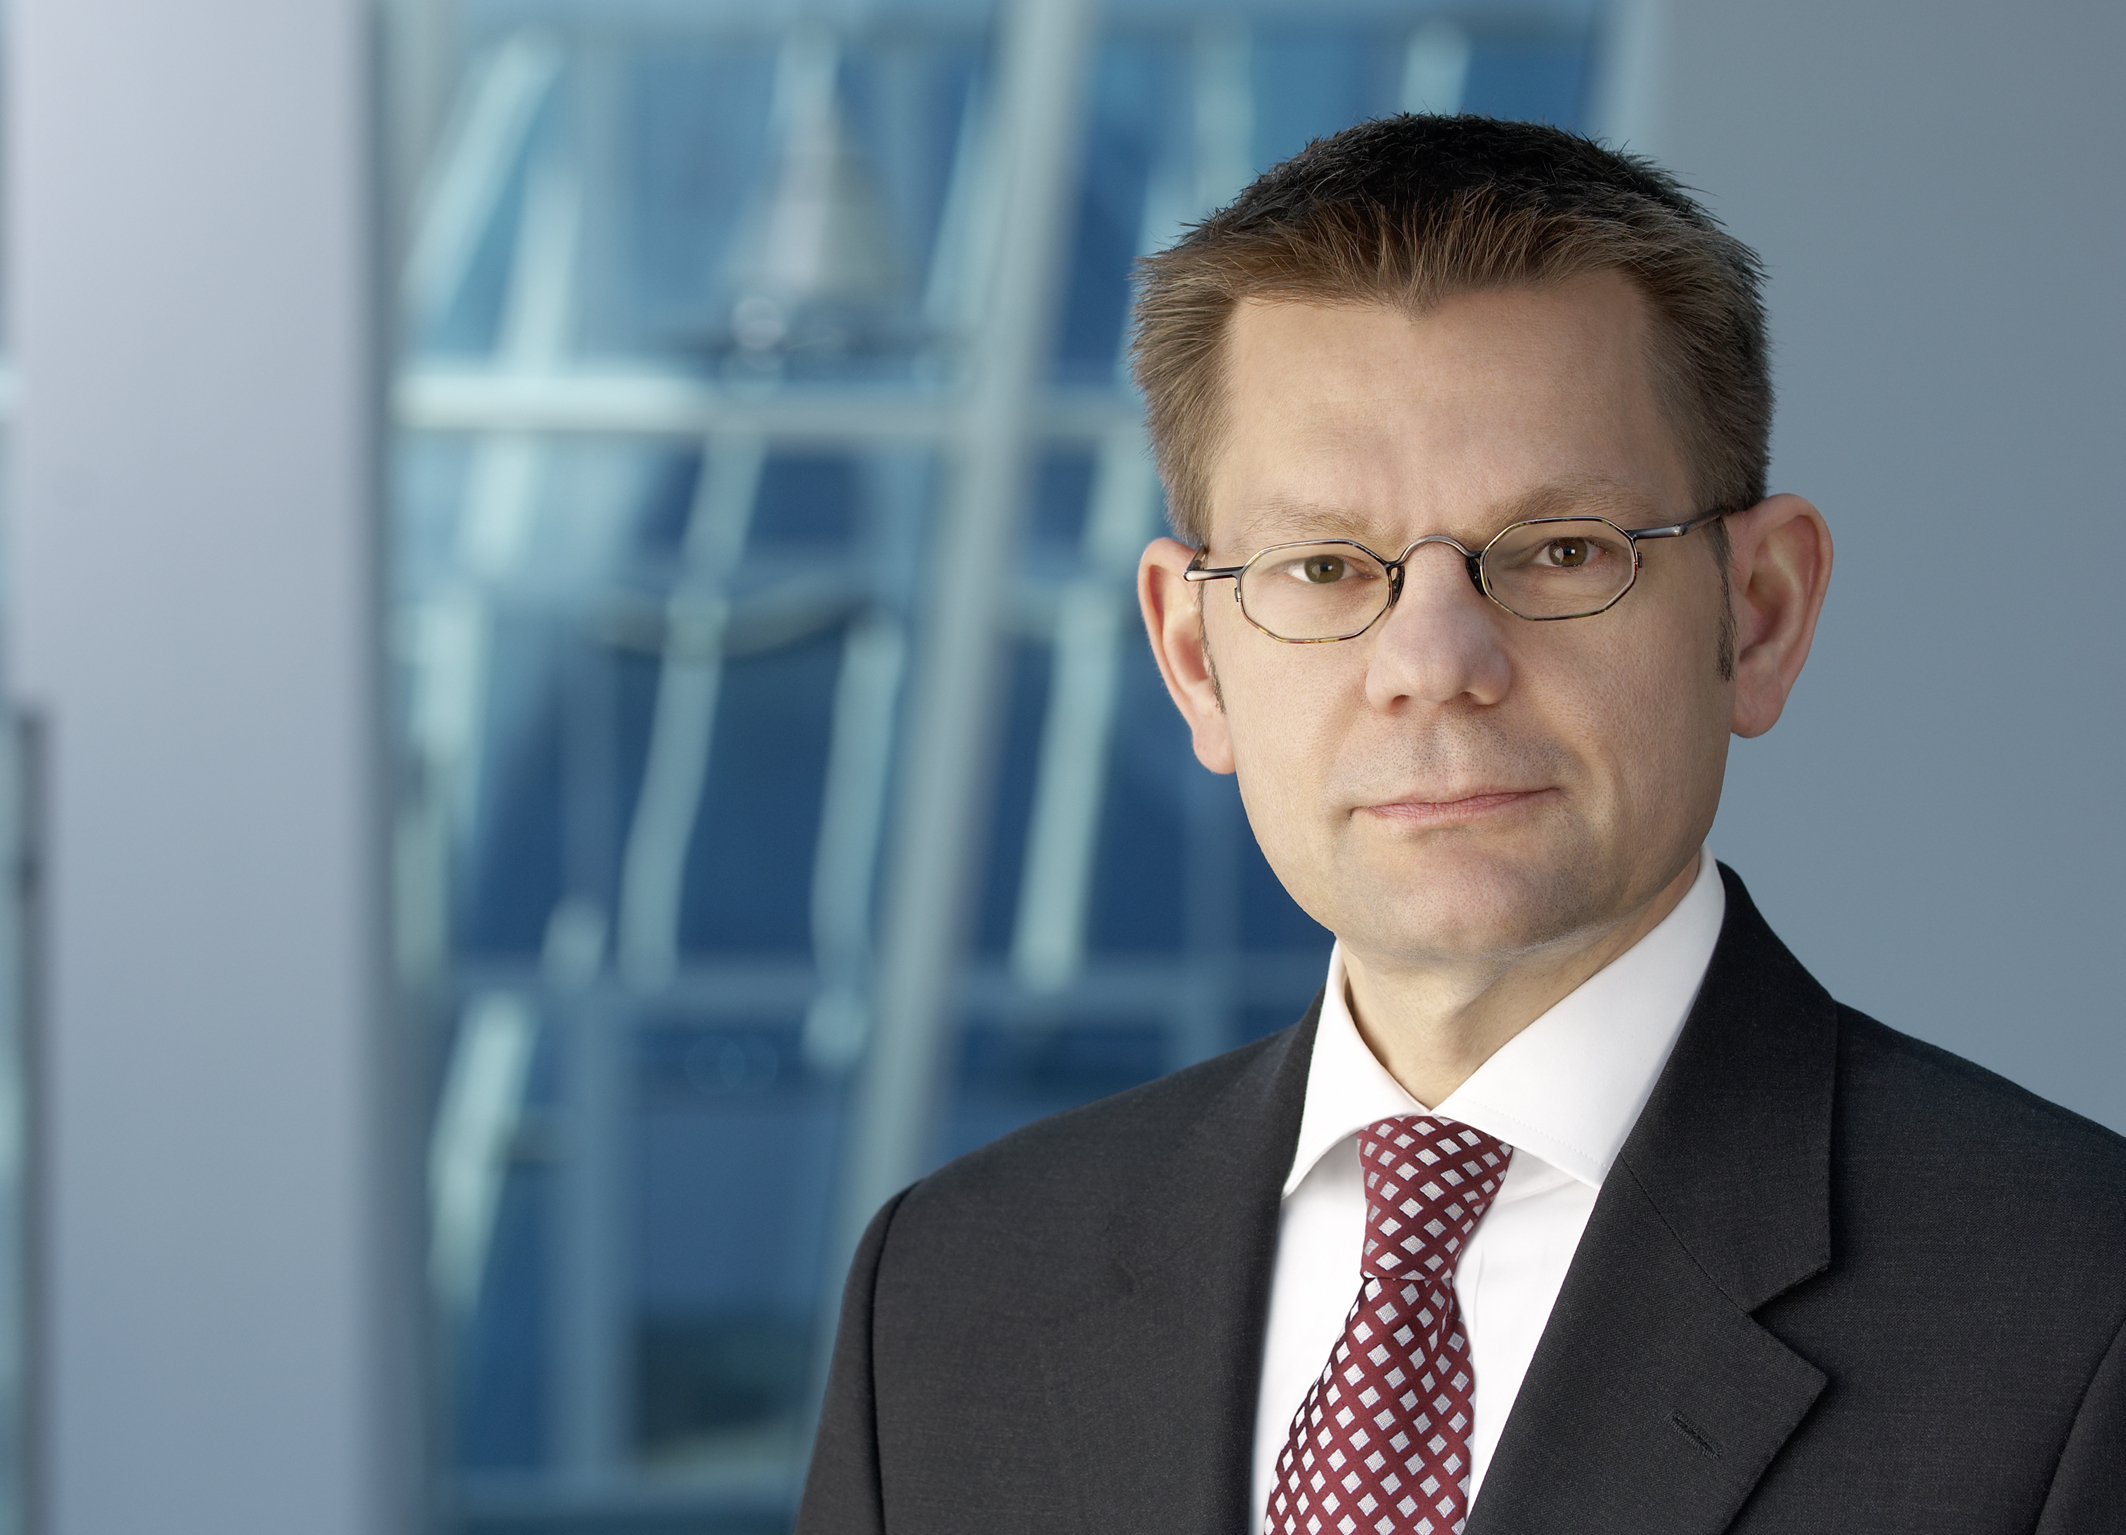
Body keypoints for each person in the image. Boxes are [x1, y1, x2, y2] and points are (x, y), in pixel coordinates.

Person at [796, 116, 2126, 1535]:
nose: (1434, 662)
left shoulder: (2078, 1311)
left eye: (1560, 551)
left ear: (1758, 615)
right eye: (1323, 566)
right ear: (1194, 657)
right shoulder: (949, 1294)